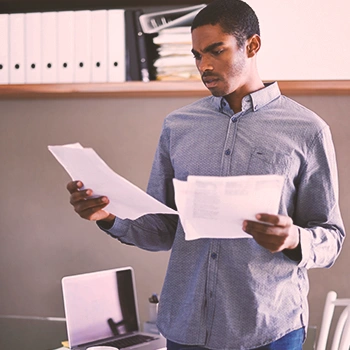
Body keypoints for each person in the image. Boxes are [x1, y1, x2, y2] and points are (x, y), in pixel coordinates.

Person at [67, 0, 345, 349]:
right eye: (197, 55)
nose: (205, 66)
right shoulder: (178, 126)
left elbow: (331, 238)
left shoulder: (307, 130)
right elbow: (164, 229)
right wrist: (107, 217)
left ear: (252, 45)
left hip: (266, 328)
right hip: (185, 328)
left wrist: (293, 238)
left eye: (217, 51)